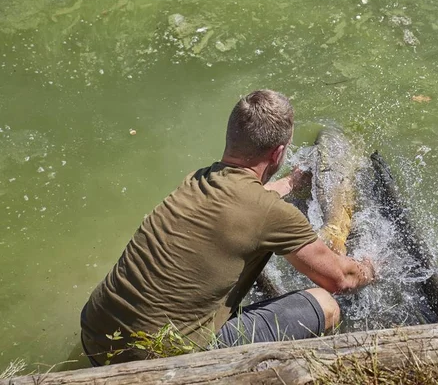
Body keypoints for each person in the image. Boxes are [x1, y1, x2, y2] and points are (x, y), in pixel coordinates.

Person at [80, 89, 376, 365]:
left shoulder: (196, 180)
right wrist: (374, 266)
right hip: (162, 363)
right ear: (277, 153)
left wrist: (289, 184)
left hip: (95, 336)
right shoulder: (274, 215)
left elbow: (242, 199)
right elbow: (341, 279)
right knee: (325, 305)